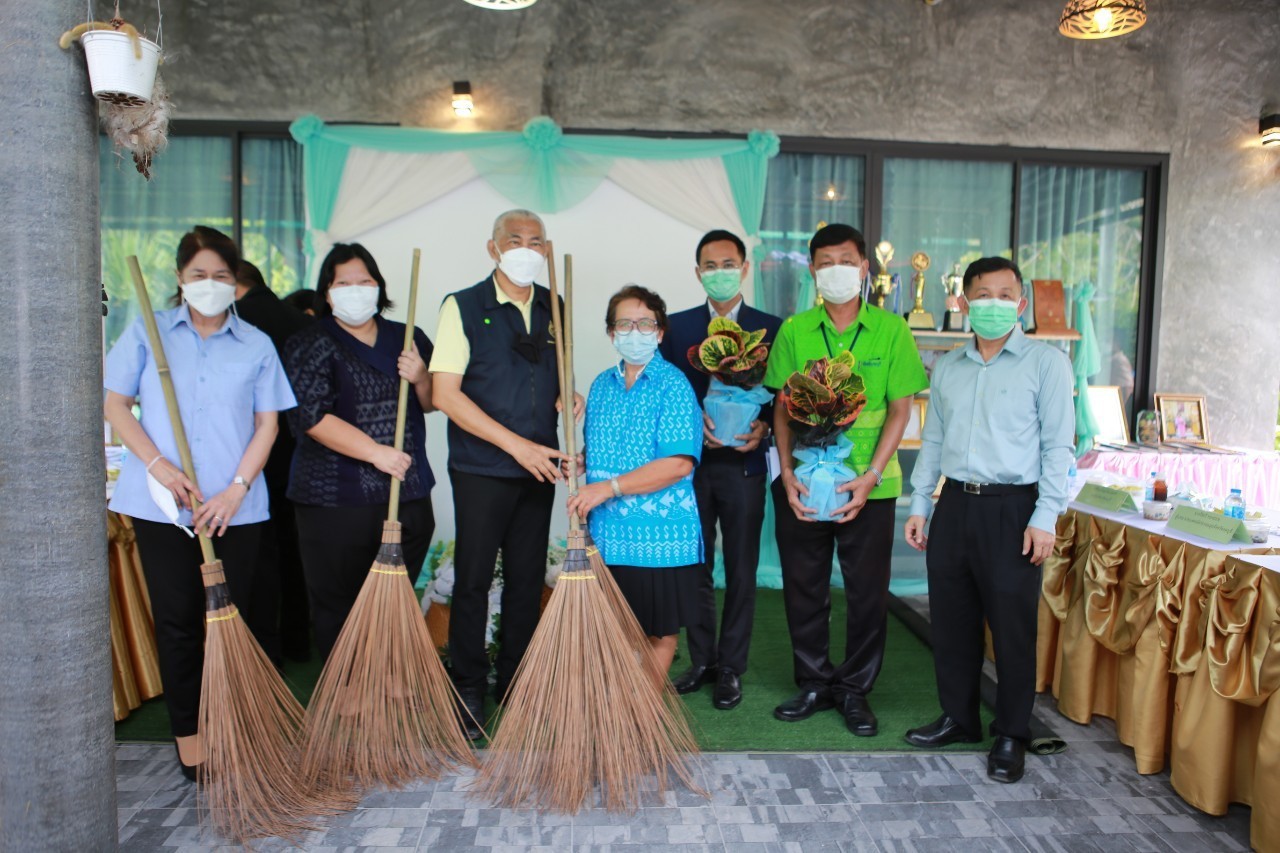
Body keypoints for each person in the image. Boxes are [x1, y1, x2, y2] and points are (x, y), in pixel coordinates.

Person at [103, 225, 296, 781]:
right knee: (179, 622)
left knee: (237, 622)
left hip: (235, 507)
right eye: (198, 276)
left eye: (220, 276)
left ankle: (238, 725)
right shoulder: (150, 333)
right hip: (165, 505)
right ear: (179, 280)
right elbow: (116, 405)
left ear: (236, 284)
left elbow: (268, 424)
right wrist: (158, 465)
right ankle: (190, 739)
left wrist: (236, 488)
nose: (209, 285)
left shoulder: (256, 343)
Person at [903, 257, 1074, 783]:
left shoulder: (1047, 364)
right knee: (951, 620)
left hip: (1014, 509)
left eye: (1005, 295)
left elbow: (1058, 447)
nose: (994, 304)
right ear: (963, 303)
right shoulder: (950, 367)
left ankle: (1011, 733)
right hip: (955, 502)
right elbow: (933, 440)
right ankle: (959, 717)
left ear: (1020, 305)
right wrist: (919, 504)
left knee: (1012, 627)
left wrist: (1044, 517)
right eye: (983, 294)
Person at [763, 223, 928, 736]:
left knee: (866, 592)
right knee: (804, 585)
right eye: (825, 261)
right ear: (813, 270)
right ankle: (813, 682)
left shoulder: (892, 330)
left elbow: (900, 411)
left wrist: (872, 473)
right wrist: (786, 475)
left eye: (846, 260)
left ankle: (855, 689)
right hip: (806, 483)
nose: (837, 269)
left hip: (871, 487)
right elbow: (782, 411)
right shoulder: (794, 331)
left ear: (864, 268)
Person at [430, 209, 576, 740]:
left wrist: (569, 391)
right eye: (514, 240)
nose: (525, 249)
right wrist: (518, 447)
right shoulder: (462, 306)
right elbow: (446, 394)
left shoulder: (553, 304)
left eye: (536, 242)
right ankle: (468, 683)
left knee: (525, 578)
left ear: (546, 250)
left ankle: (515, 680)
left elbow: (554, 374)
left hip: (540, 467)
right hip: (483, 467)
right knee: (471, 580)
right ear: (493, 248)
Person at [283, 243, 436, 662]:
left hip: (407, 491)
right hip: (334, 499)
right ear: (327, 293)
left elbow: (430, 402)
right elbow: (310, 417)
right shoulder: (308, 342)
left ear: (379, 286)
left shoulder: (408, 338)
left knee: (397, 593)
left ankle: (390, 672)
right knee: (339, 599)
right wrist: (375, 453)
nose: (356, 290)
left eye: (364, 281)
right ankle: (346, 685)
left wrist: (421, 376)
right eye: (343, 283)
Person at [658, 229, 782, 710]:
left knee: (743, 567)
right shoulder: (679, 327)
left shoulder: (772, 328)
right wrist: (691, 428)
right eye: (710, 266)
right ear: (697, 273)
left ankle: (732, 667)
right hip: (690, 469)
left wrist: (765, 427)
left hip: (746, 465)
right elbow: (666, 393)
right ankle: (703, 660)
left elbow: (788, 395)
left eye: (728, 263)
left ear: (745, 267)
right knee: (696, 566)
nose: (719, 273)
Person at [567, 285, 703, 676]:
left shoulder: (673, 385)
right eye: (625, 323)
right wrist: (580, 463)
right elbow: (612, 449)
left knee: (657, 633)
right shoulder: (600, 386)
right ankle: (615, 712)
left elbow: (678, 464)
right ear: (611, 332)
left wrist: (605, 488)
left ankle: (641, 721)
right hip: (608, 535)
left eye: (645, 323)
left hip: (657, 537)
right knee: (614, 633)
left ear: (660, 332)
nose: (635, 331)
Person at [234, 260, 314, 663]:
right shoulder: (299, 320)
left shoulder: (234, 323)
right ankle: (299, 640)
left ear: (233, 284)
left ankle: (260, 648)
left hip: (249, 454)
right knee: (296, 548)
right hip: (304, 449)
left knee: (258, 556)